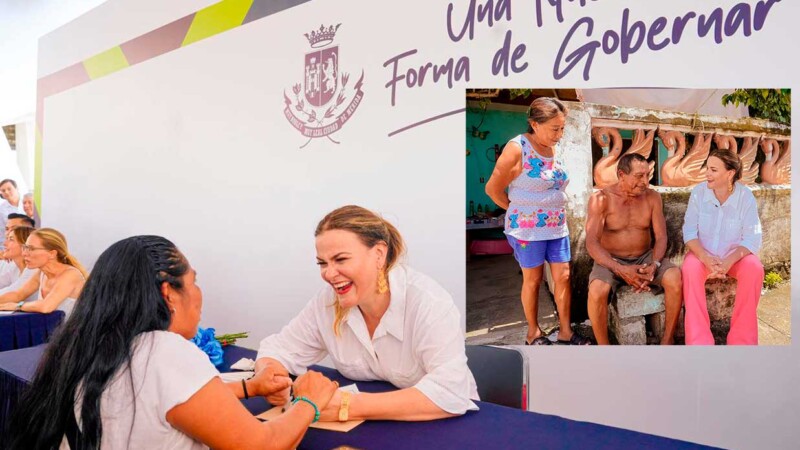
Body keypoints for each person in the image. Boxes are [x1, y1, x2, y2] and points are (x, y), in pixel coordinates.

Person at [9, 235, 339, 449]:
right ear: (169, 294)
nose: (199, 293)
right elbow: (260, 446)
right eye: (194, 282)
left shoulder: (89, 344)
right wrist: (308, 403)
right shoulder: (165, 351)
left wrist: (251, 387)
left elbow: (163, 397)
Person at [256, 205, 479, 421]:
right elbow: (278, 349)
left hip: (448, 425)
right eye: (322, 263)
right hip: (380, 426)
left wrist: (347, 406)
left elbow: (449, 391)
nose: (329, 273)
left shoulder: (428, 302)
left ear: (379, 254)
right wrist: (271, 376)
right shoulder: (327, 301)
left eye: (340, 259)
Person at [484, 97, 589, 345]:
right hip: (527, 231)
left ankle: (565, 331)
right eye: (555, 128)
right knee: (532, 279)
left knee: (563, 276)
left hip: (556, 225)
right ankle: (534, 333)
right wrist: (516, 209)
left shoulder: (554, 147)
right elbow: (492, 189)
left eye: (562, 128)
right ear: (534, 124)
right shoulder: (517, 147)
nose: (560, 134)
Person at [585, 153, 683, 345]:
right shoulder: (601, 199)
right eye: (639, 176)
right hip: (611, 260)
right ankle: (604, 348)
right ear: (621, 174)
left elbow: (661, 236)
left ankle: (668, 339)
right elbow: (592, 242)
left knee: (675, 277)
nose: (645, 182)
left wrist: (654, 264)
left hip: (645, 258)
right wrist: (619, 269)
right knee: (597, 290)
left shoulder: (653, 197)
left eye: (647, 175)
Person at [681, 149, 764, 345]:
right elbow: (689, 232)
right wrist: (705, 258)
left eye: (713, 169)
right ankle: (699, 340)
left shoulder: (745, 197)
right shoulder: (698, 193)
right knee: (690, 268)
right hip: (702, 255)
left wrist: (728, 261)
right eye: (707, 168)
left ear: (730, 173)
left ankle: (742, 340)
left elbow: (753, 238)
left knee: (754, 268)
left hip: (734, 258)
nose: (706, 173)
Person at [0, 228, 87, 316]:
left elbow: (46, 306)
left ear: (52, 254)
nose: (24, 254)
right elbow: (18, 295)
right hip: (52, 328)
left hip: (73, 329)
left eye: (31, 249)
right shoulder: (41, 273)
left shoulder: (71, 275)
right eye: (25, 248)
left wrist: (17, 306)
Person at [0, 226, 38, 299]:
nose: (5, 243)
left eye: (11, 239)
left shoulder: (33, 270)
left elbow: (12, 294)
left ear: (25, 245)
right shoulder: (14, 267)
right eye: (7, 239)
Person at [0, 179, 25, 247]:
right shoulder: (1, 210)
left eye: (9, 189)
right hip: (13, 245)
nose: (6, 192)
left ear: (16, 188)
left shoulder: (27, 202)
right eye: (3, 190)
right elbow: (2, 233)